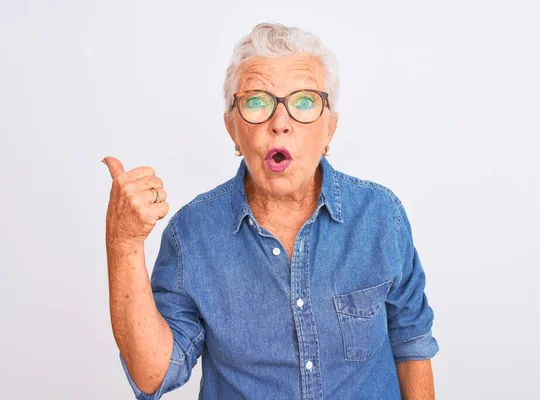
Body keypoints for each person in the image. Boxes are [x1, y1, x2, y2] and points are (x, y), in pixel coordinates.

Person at [102, 22, 439, 400]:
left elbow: (411, 343)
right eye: (257, 102)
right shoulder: (191, 234)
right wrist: (124, 242)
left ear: (330, 129)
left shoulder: (381, 216)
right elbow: (152, 375)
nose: (280, 123)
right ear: (232, 129)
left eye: (305, 102)